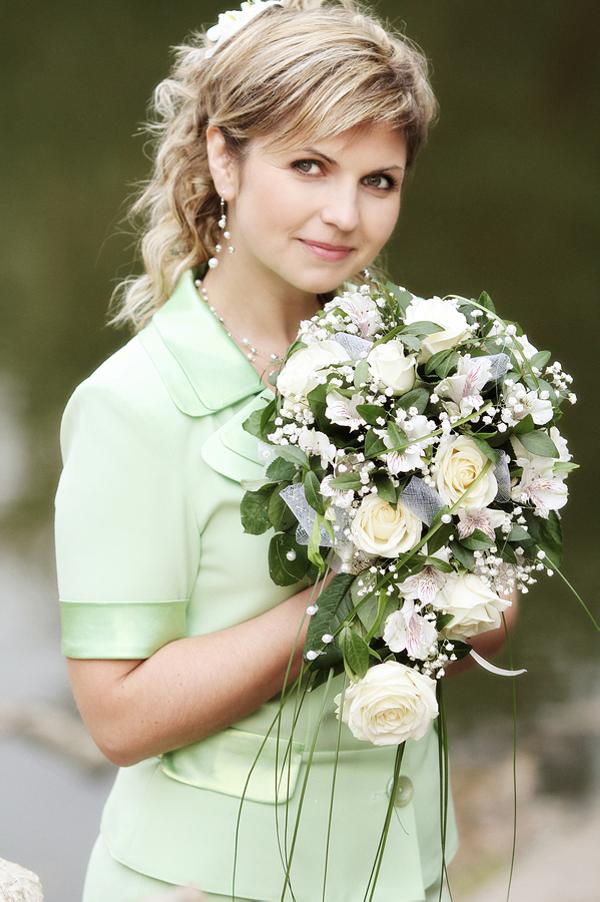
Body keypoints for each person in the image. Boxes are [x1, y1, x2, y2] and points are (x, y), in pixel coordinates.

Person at [53, 1, 518, 900]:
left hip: (402, 869)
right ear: (224, 159)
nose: (344, 214)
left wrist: (466, 595)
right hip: (210, 884)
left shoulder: (417, 365)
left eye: (378, 180)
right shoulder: (133, 404)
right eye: (309, 166)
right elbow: (118, 715)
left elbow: (481, 621)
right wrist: (342, 605)